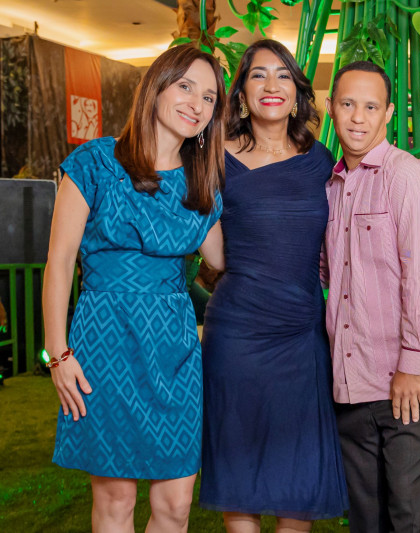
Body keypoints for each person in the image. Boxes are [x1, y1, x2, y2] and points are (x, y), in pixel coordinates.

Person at [43, 44, 226, 532]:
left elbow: (229, 263)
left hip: (176, 355)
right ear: (156, 87)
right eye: (185, 86)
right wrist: (58, 355)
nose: (196, 103)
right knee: (116, 505)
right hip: (105, 347)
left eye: (209, 97)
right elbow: (58, 263)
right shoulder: (96, 162)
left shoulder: (201, 184)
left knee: (176, 507)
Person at [198, 40, 348, 533]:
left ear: (297, 91)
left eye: (282, 75)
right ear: (240, 90)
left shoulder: (322, 161)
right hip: (237, 334)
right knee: (239, 467)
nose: (271, 85)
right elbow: (216, 255)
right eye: (258, 75)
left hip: (301, 334)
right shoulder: (214, 157)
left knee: (297, 479)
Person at [323, 60, 420, 533]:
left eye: (370, 106)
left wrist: (411, 363)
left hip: (415, 380)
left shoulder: (405, 178)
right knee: (368, 519)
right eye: (347, 104)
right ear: (331, 109)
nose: (358, 117)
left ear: (387, 113)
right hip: (354, 379)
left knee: (412, 518)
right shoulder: (332, 185)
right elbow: (334, 273)